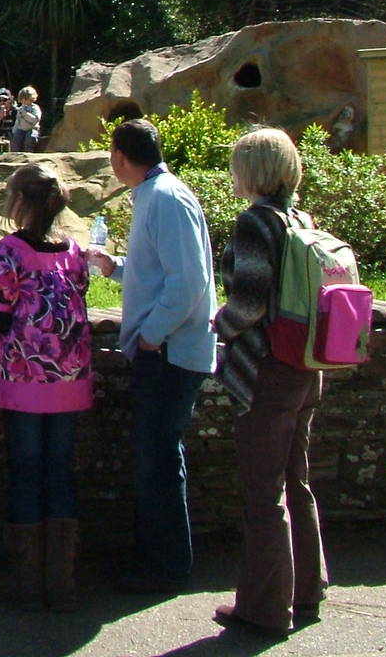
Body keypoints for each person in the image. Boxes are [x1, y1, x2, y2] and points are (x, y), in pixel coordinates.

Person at [87, 118, 216, 594]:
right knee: (155, 458)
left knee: (159, 461)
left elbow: (188, 281)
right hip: (164, 349)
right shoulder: (156, 195)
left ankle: (165, 568)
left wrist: (151, 337)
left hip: (169, 353)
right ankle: (154, 560)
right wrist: (115, 267)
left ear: (120, 157)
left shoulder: (164, 198)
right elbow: (163, 272)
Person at [212, 127, 328, 638]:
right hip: (306, 367)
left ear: (253, 170)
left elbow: (250, 302)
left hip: (266, 373)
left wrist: (220, 323)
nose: (233, 173)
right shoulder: (300, 219)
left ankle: (264, 607)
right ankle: (306, 591)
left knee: (263, 493)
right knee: (296, 480)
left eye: (238, 164)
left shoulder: (256, 223)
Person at [0, 163, 93, 611]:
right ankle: (63, 585)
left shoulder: (8, 250)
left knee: (26, 469)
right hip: (70, 378)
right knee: (60, 470)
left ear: (19, 202)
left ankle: (26, 584)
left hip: (23, 379)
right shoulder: (73, 251)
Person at [11, 85, 43, 152]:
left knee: (30, 138)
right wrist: (14, 131)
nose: (24, 101)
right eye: (22, 99)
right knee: (16, 139)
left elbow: (35, 120)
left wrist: (25, 114)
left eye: (26, 99)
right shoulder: (20, 109)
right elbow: (18, 121)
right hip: (21, 129)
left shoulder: (35, 108)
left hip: (32, 128)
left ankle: (29, 152)